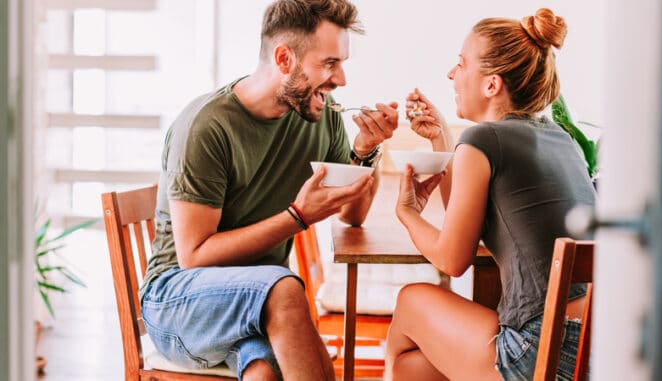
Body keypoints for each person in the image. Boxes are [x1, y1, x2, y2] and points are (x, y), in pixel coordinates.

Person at [138, 1, 399, 380]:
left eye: (341, 63)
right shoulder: (206, 127)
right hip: (177, 301)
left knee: (264, 371)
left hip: (255, 299)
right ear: (284, 59)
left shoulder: (321, 116)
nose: (341, 78)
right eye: (329, 63)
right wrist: (298, 217)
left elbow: (351, 215)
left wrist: (365, 150)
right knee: (284, 287)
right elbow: (194, 255)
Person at [385, 8, 596, 381]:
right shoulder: (561, 140)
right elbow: (470, 220)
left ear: (491, 85)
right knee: (413, 368)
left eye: (461, 64)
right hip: (591, 346)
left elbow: (453, 259)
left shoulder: (483, 140)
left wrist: (407, 214)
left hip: (540, 350)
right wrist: (441, 138)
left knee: (412, 300)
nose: (451, 74)